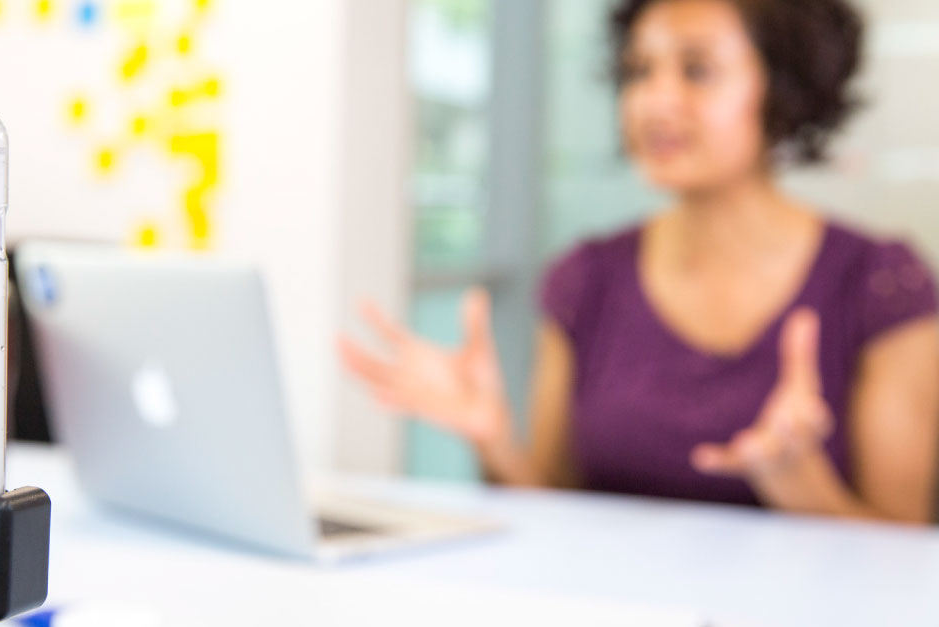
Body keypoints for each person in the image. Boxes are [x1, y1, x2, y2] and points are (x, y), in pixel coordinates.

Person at [340, 0, 939, 524]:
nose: (655, 100)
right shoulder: (586, 278)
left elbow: (906, 552)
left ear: (783, 91)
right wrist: (495, 443)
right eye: (638, 72)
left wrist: (801, 485)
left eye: (696, 71)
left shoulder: (880, 284)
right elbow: (559, 520)